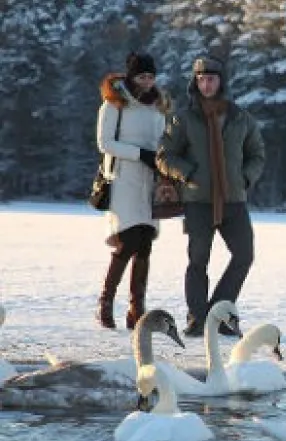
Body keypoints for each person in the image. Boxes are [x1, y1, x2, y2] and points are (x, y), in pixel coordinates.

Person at [157, 54, 266, 338]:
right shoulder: (184, 118)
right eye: (201, 79)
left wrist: (244, 177)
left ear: (221, 81)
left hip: (234, 201)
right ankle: (197, 319)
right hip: (198, 201)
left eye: (212, 79)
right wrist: (189, 173)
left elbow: (257, 154)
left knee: (244, 255)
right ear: (195, 82)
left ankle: (218, 316)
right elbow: (164, 155)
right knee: (198, 261)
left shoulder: (240, 117)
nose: (206, 84)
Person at [95, 52, 172, 330]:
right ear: (131, 77)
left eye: (151, 77)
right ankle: (105, 302)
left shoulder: (158, 107)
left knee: (146, 244)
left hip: (151, 180)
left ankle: (136, 308)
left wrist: (165, 161)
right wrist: (140, 154)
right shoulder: (114, 103)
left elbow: (163, 139)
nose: (147, 82)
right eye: (142, 76)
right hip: (123, 178)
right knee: (127, 241)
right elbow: (105, 143)